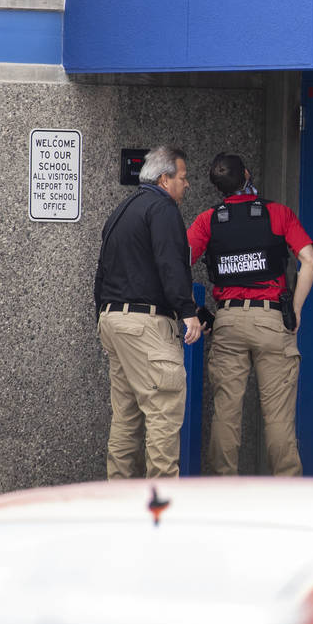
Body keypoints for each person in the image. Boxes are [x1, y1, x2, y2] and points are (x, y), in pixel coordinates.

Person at [187, 153, 313, 476]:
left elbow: (173, 263)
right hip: (272, 320)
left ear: (219, 187)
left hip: (228, 322)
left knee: (225, 415)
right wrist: (296, 310)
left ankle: (222, 494)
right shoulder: (277, 213)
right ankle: (287, 491)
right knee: (278, 419)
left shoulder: (208, 221)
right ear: (246, 174)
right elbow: (310, 261)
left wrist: (193, 309)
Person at [94, 146, 201, 479]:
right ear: (165, 178)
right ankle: (161, 510)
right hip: (147, 326)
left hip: (113, 320)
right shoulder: (162, 208)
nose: (187, 185)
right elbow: (171, 263)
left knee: (125, 419)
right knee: (163, 415)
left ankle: (120, 503)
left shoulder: (121, 210)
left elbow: (101, 271)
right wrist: (188, 311)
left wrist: (103, 314)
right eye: (183, 178)